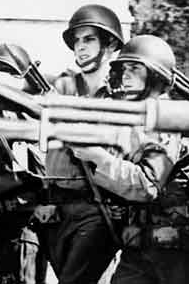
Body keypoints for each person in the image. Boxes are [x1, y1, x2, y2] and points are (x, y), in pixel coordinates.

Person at [72, 35, 189, 284]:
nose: (125, 76)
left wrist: (98, 157)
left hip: (174, 251)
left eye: (134, 69)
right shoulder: (133, 119)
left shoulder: (167, 119)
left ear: (155, 75)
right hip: (139, 246)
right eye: (123, 69)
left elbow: (147, 186)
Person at [42, 4, 124, 284]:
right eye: (76, 41)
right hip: (56, 209)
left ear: (110, 43)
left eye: (89, 39)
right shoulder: (62, 89)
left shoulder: (123, 98)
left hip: (97, 207)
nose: (80, 47)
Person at [0, 44, 48, 284]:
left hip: (23, 221)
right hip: (2, 220)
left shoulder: (26, 116)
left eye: (3, 71)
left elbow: (42, 169)